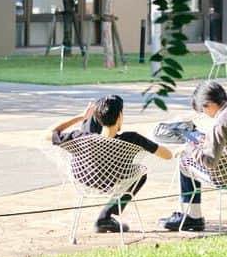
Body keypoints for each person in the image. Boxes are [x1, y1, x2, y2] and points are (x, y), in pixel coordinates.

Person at [49, 94, 172, 233]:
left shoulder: (82, 138)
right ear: (120, 116)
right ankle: (106, 216)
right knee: (140, 174)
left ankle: (105, 219)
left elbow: (50, 133)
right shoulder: (132, 139)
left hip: (84, 181)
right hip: (114, 181)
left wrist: (81, 117)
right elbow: (168, 155)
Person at [159, 81, 227, 232]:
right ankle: (191, 216)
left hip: (226, 176)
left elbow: (210, 161)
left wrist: (189, 147)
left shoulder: (221, 121)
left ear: (209, 104)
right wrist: (208, 141)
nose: (204, 114)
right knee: (193, 150)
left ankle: (193, 216)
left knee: (184, 161)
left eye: (202, 110)